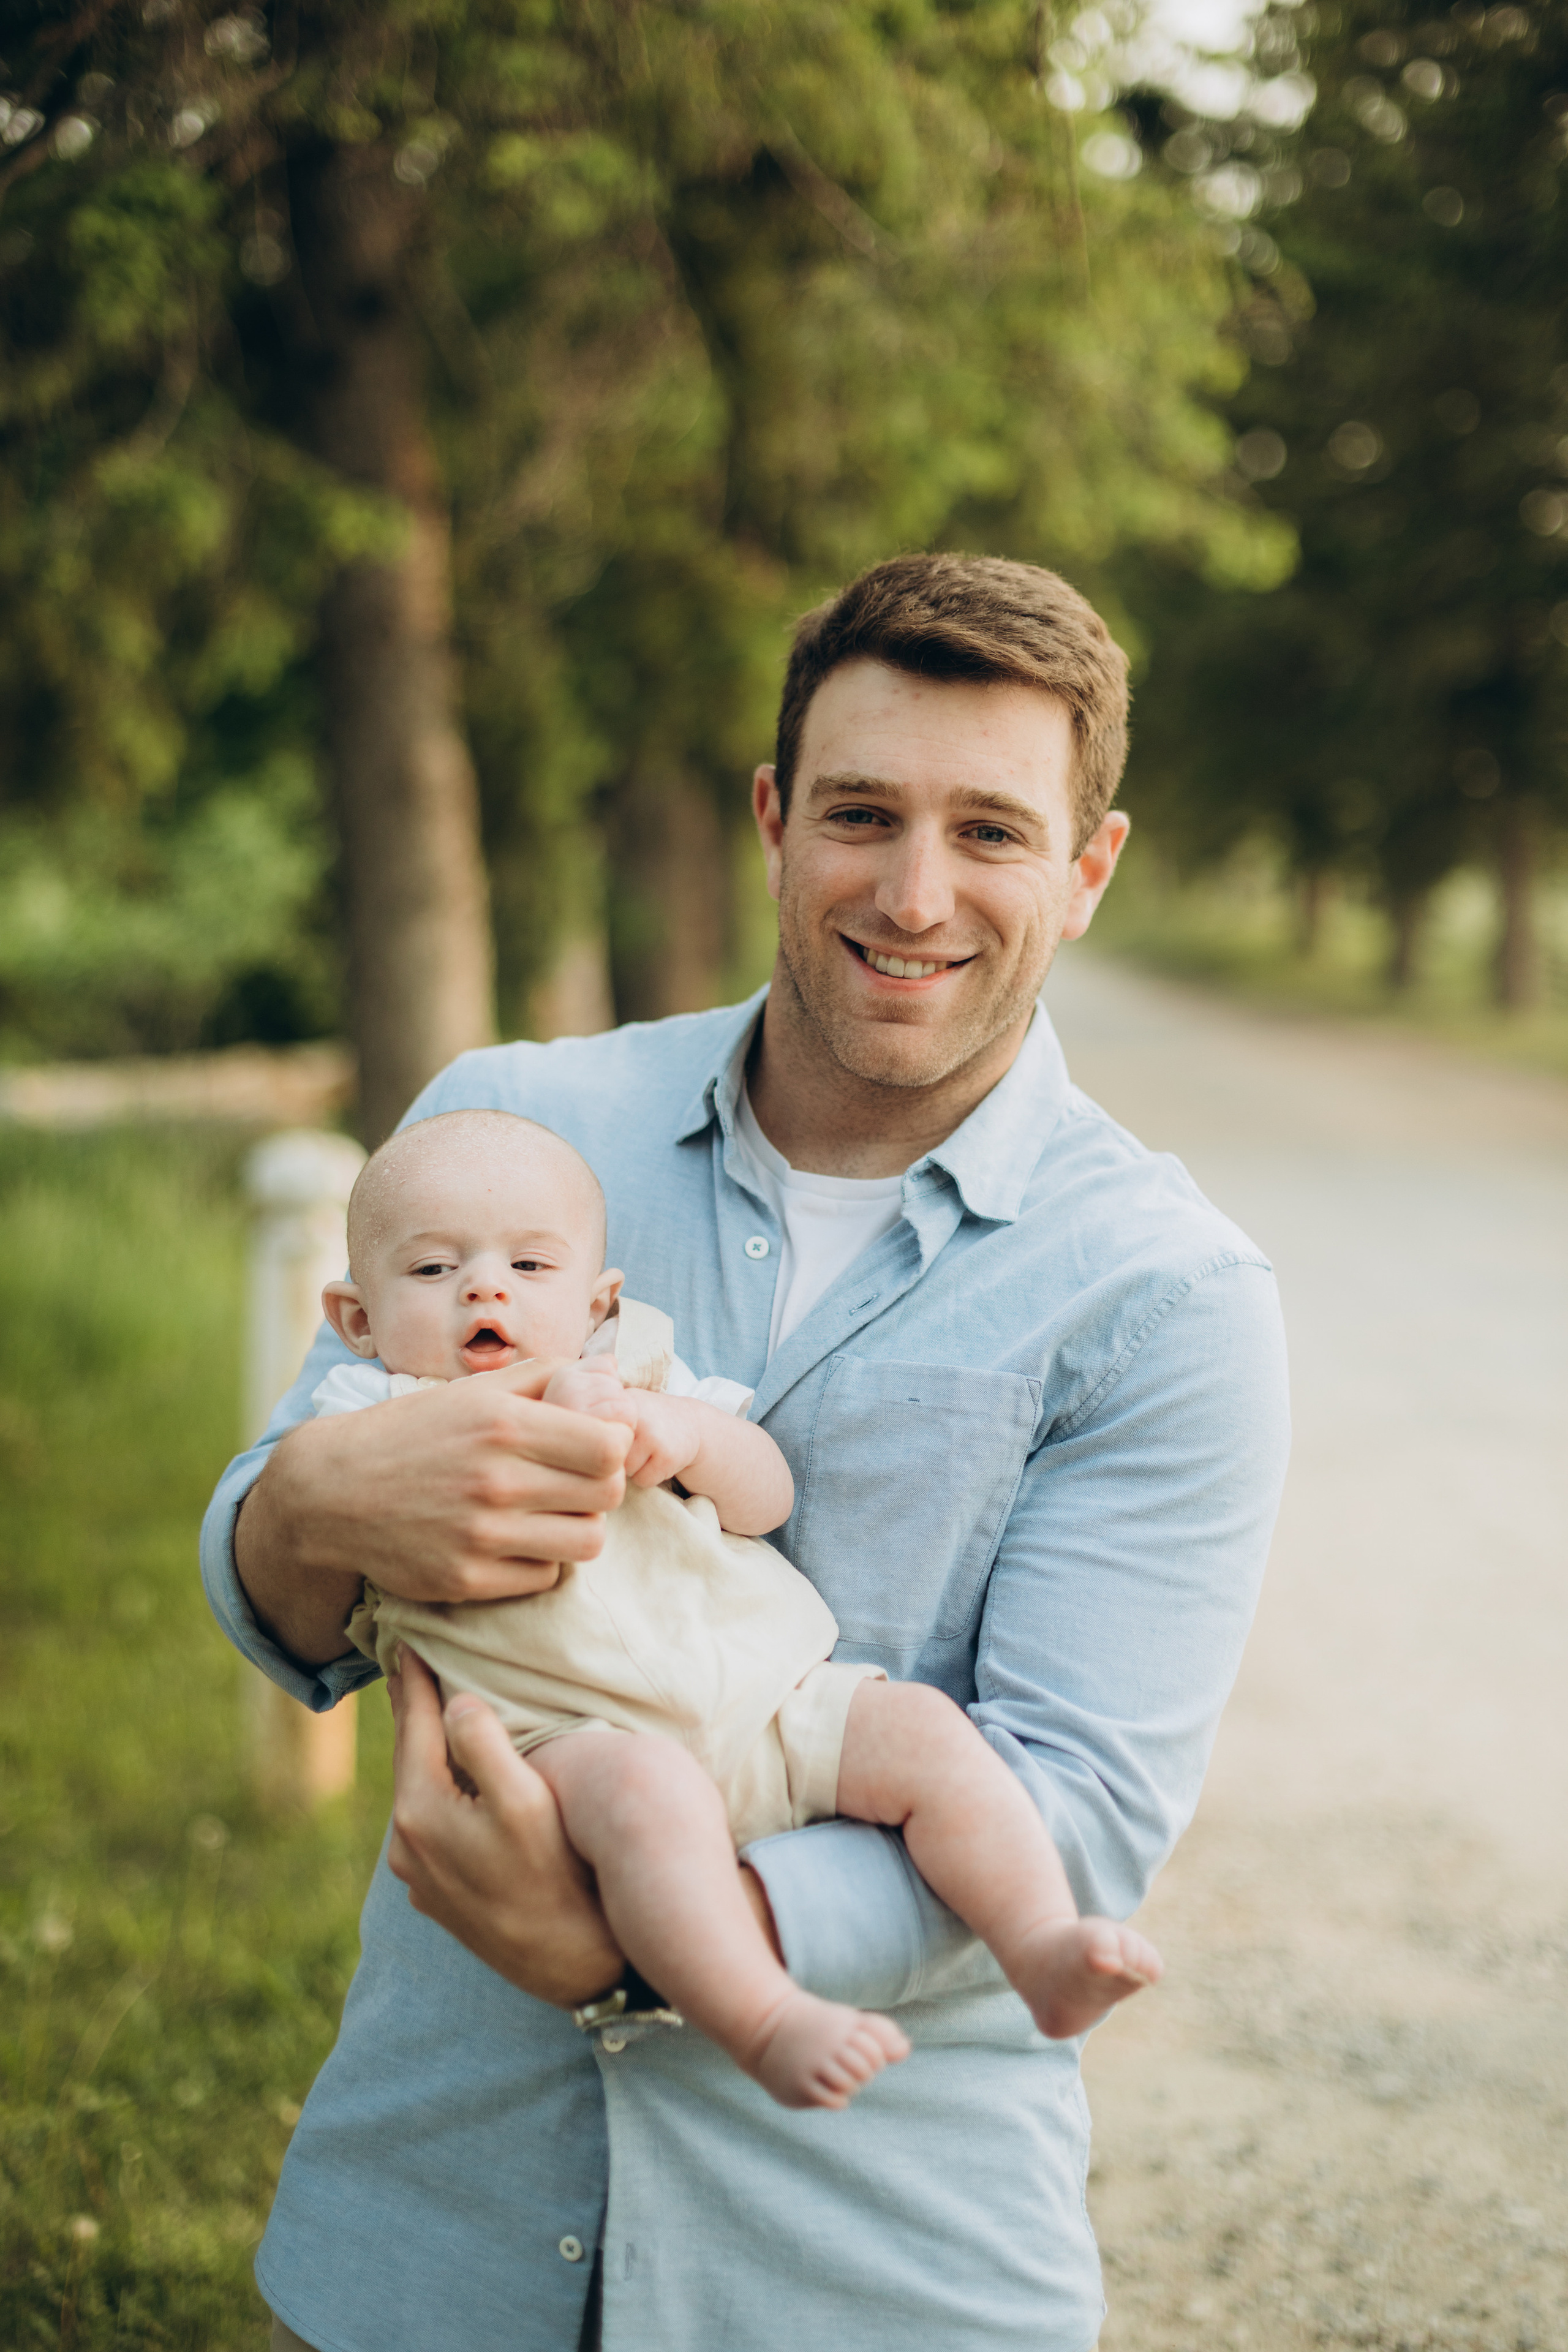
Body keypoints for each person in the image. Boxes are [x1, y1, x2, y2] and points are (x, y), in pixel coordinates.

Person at [203, 552, 1290, 2352]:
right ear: (778, 820)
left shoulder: (1168, 1299)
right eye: (862, 812)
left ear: (1090, 871)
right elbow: (278, 1594)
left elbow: (1075, 1813)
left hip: (871, 2268)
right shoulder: (514, 1130)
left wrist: (639, 1942)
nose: (916, 892)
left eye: (994, 834)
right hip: (435, 2233)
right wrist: (309, 1506)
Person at [311, 1108, 1162, 2110]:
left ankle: (1042, 1944)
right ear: (359, 1320)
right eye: (432, 1271)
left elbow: (767, 1498)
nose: (486, 1288)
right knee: (650, 1802)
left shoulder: (647, 1377)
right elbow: (315, 1530)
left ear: (599, 1303)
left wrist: (683, 1434)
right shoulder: (367, 1418)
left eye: (530, 1269)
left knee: (924, 1731)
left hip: (767, 1701)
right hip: (566, 1740)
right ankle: (763, 2019)